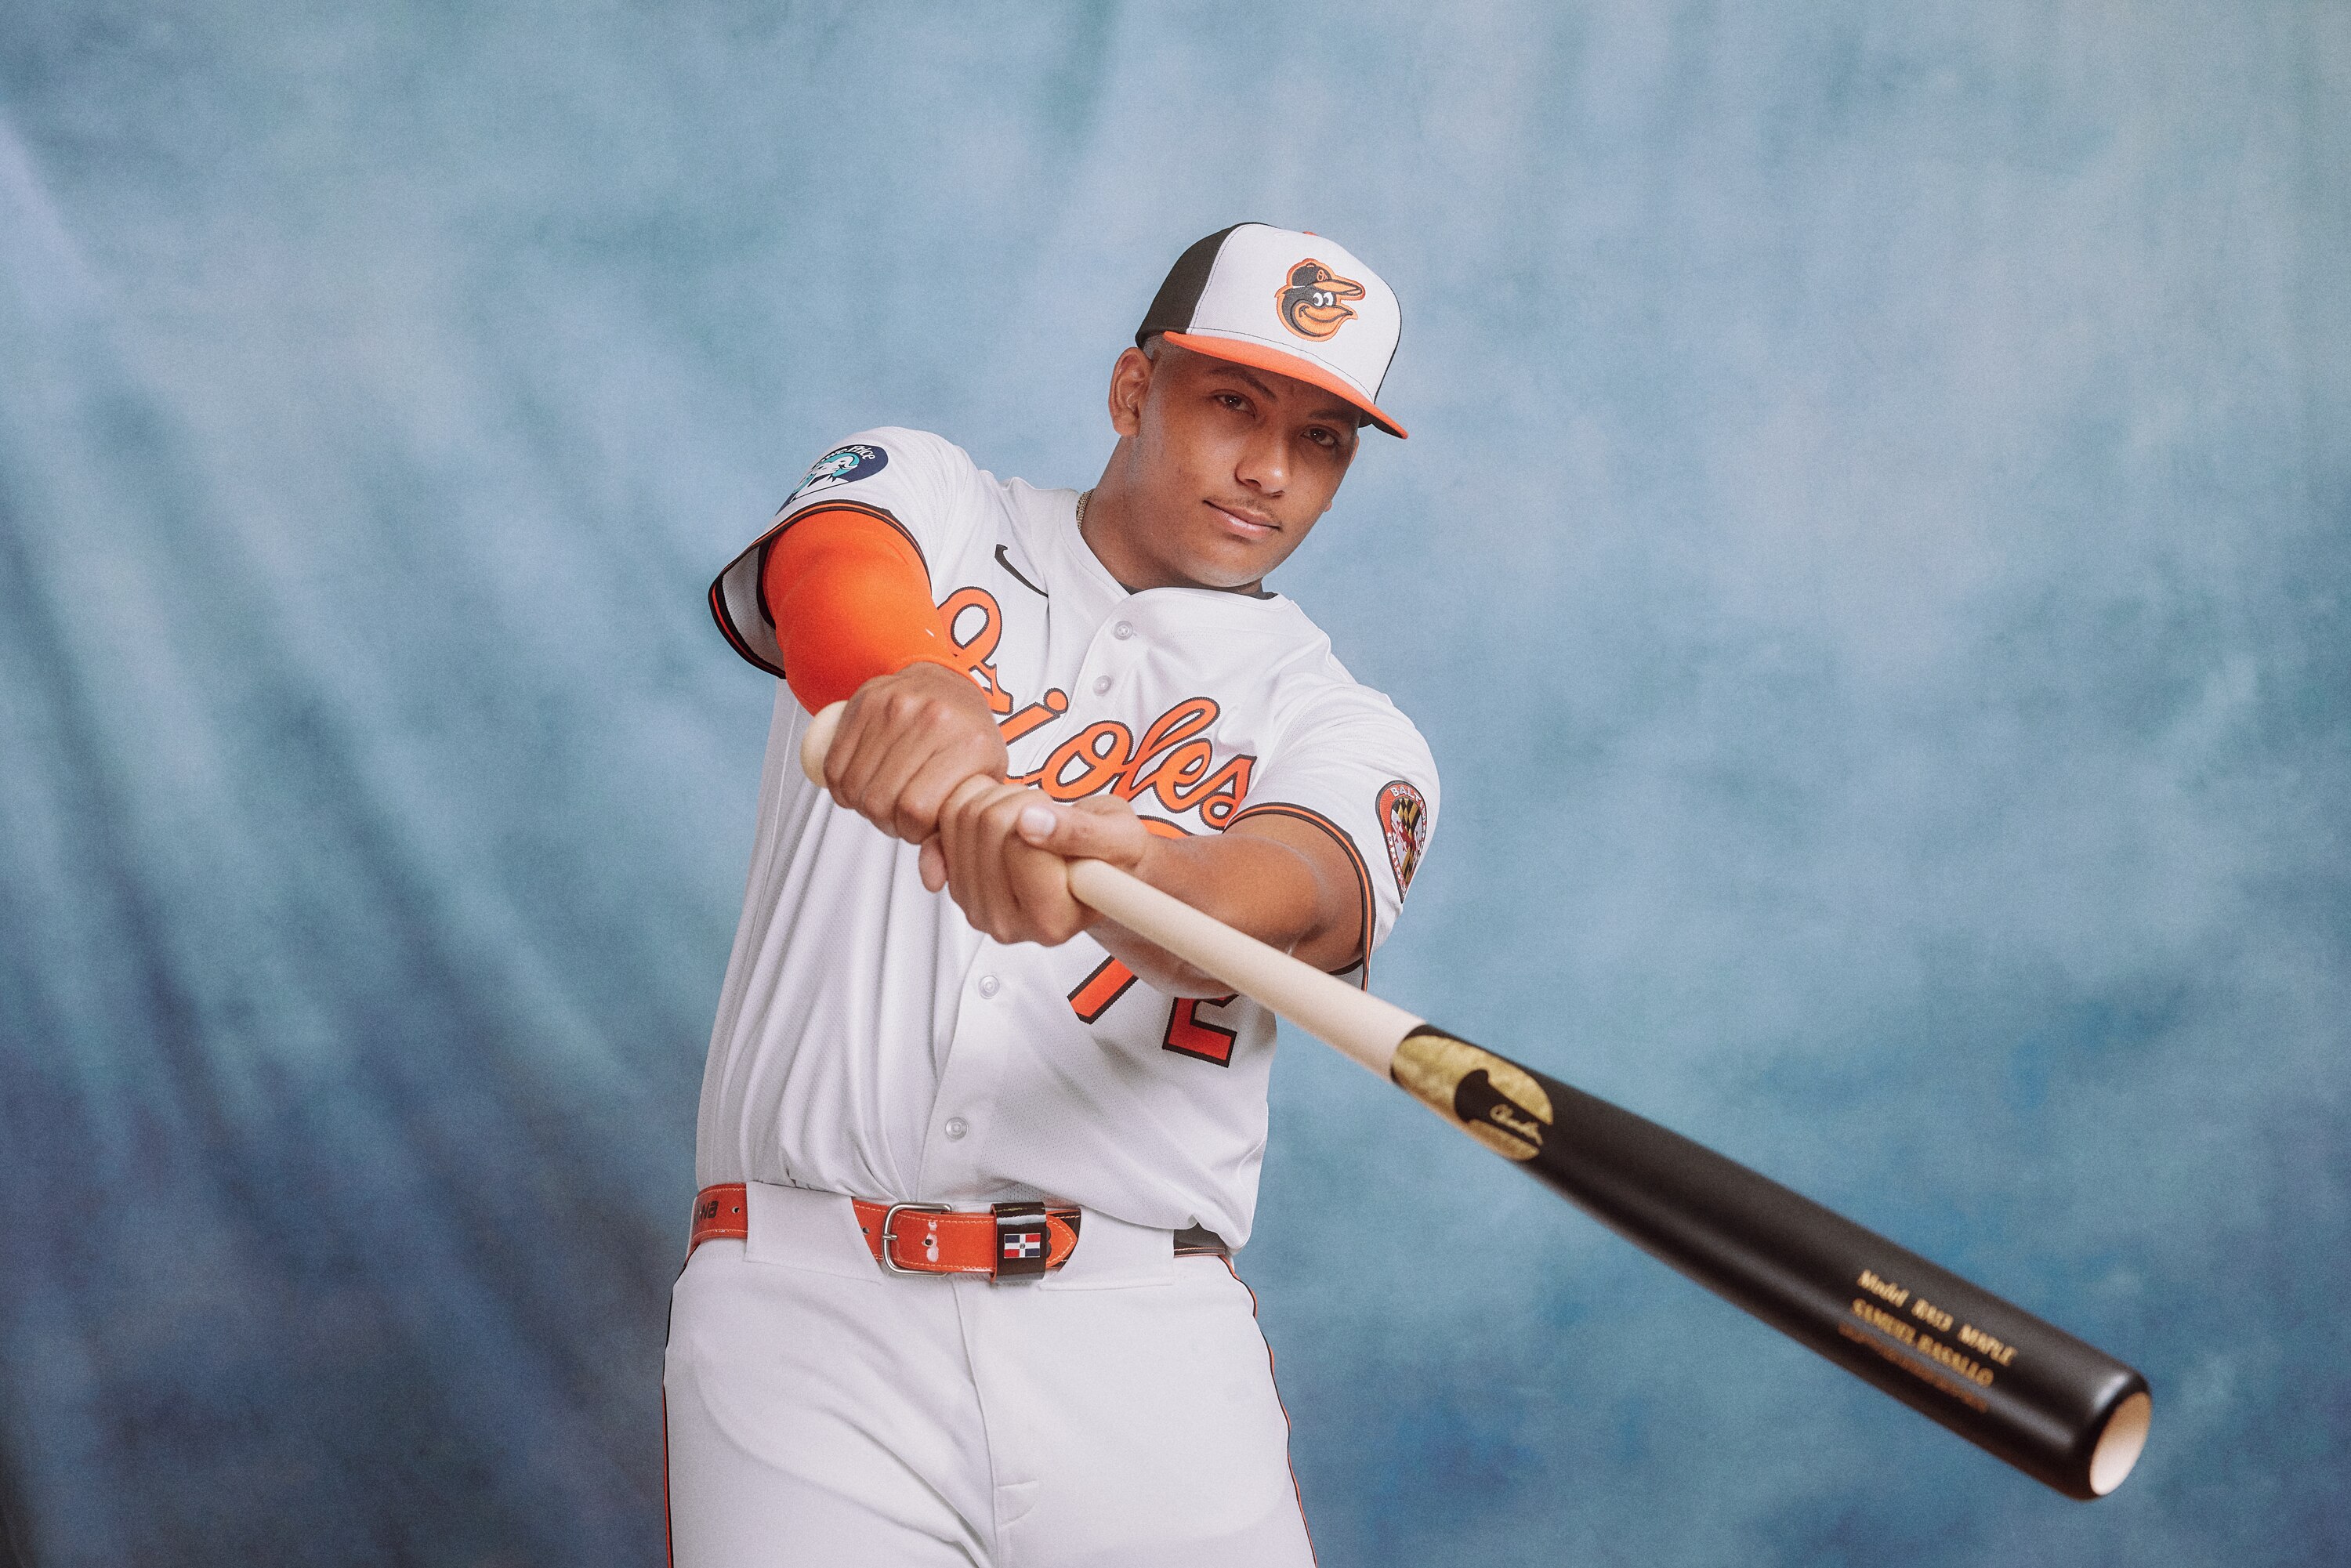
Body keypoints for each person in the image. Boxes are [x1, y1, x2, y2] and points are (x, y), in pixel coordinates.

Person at [665, 223, 1440, 1567]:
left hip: (1143, 1343)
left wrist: (1135, 876)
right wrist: (912, 687)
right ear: (1135, 390)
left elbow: (1295, 895)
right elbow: (832, 569)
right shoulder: (936, 499)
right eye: (1234, 403)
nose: (1269, 468)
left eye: (1320, 439)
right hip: (805, 1315)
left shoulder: (1343, 723)